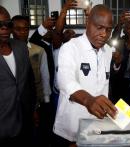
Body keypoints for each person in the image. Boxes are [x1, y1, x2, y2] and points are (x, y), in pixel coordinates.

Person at [53, 4, 117, 147]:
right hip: (71, 129)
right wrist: (89, 100)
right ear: (88, 23)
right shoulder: (70, 47)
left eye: (108, 30)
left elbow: (103, 84)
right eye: (99, 27)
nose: (104, 34)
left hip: (96, 128)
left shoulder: (107, 51)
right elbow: (64, 81)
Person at [11, 15, 52, 147]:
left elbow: (45, 76)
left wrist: (46, 101)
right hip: (11, 104)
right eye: (18, 29)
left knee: (34, 134)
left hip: (36, 102)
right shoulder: (5, 51)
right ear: (11, 29)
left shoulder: (38, 50)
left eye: (26, 29)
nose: (22, 32)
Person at [0, 6, 36, 146]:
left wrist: (34, 109)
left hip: (25, 121)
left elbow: (29, 81)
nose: (4, 29)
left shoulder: (20, 47)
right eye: (0, 25)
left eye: (8, 24)